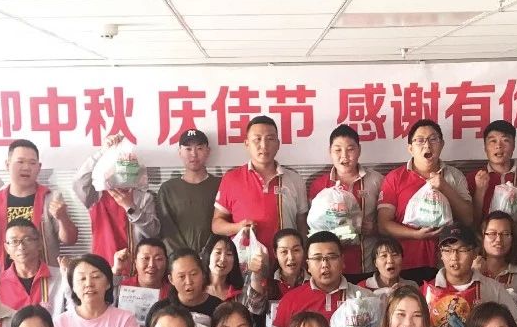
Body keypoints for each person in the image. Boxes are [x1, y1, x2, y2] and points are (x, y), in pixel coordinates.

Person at [377, 118, 473, 283]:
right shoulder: (394, 178)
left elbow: (468, 219)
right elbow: (383, 225)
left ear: (442, 144)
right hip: (405, 264)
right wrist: (415, 235)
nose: (427, 145)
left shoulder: (454, 176)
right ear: (410, 148)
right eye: (420, 140)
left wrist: (445, 187)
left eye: (433, 139)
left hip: (447, 265)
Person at [0, 138, 77, 270]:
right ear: (7, 165)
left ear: (39, 167)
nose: (26, 167)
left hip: (45, 275)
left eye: (32, 163)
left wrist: (63, 218)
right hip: (6, 276)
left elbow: (70, 240)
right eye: (20, 162)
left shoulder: (51, 197)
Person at [424, 225, 517, 327]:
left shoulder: (492, 289)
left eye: (462, 250)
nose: (454, 257)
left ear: (475, 253)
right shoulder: (427, 291)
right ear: (440, 255)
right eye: (448, 250)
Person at [269, 231, 370, 327]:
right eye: (317, 258)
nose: (325, 265)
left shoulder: (364, 298)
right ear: (308, 265)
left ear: (342, 261)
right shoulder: (290, 300)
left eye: (332, 257)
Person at [211, 115, 309, 252]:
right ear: (247, 144)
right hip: (245, 261)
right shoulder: (231, 179)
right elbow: (216, 225)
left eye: (270, 139)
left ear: (278, 144)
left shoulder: (294, 180)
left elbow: (302, 226)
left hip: (286, 261)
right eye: (257, 139)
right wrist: (238, 227)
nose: (263, 145)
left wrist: (303, 255)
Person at [73, 132, 161, 266]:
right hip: (103, 267)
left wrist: (131, 207)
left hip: (135, 268)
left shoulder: (144, 197)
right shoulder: (97, 195)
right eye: (120, 164)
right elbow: (79, 182)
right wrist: (102, 152)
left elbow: (153, 233)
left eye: (131, 165)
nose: (125, 169)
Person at [308, 124, 383, 279]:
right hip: (329, 271)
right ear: (329, 151)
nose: (344, 156)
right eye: (337, 150)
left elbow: (390, 221)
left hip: (368, 265)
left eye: (350, 149)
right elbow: (312, 227)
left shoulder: (376, 181)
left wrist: (375, 228)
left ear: (359, 150)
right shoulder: (319, 185)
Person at [469, 119, 517, 265]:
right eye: (492, 141)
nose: (499, 146)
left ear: (514, 145)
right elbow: (471, 223)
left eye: (505, 140)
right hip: (485, 255)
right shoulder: (473, 178)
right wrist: (480, 191)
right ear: (485, 147)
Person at [157, 129, 221, 255]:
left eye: (199, 148)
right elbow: (166, 231)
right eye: (188, 149)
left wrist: (211, 254)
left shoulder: (221, 185)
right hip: (179, 261)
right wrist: (185, 258)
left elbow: (225, 224)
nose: (194, 154)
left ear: (208, 151)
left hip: (215, 259)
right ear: (180, 152)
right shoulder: (168, 189)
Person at [0, 219, 71, 316]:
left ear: (39, 244)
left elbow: (74, 311)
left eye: (27, 239)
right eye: (14, 241)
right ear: (7, 248)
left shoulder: (61, 277)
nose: (21, 247)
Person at [477, 211, 517, 302]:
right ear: (482, 237)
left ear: (513, 239)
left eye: (505, 234)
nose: (498, 240)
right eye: (492, 233)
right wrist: (474, 274)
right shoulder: (472, 271)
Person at [166, 247, 223, 327]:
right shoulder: (161, 309)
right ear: (171, 279)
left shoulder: (219, 308)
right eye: (181, 276)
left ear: (203, 274)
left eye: (193, 274)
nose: (188, 282)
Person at [203, 234, 243, 302]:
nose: (223, 259)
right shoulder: (197, 290)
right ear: (208, 256)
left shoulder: (239, 295)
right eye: (218, 252)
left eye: (229, 254)